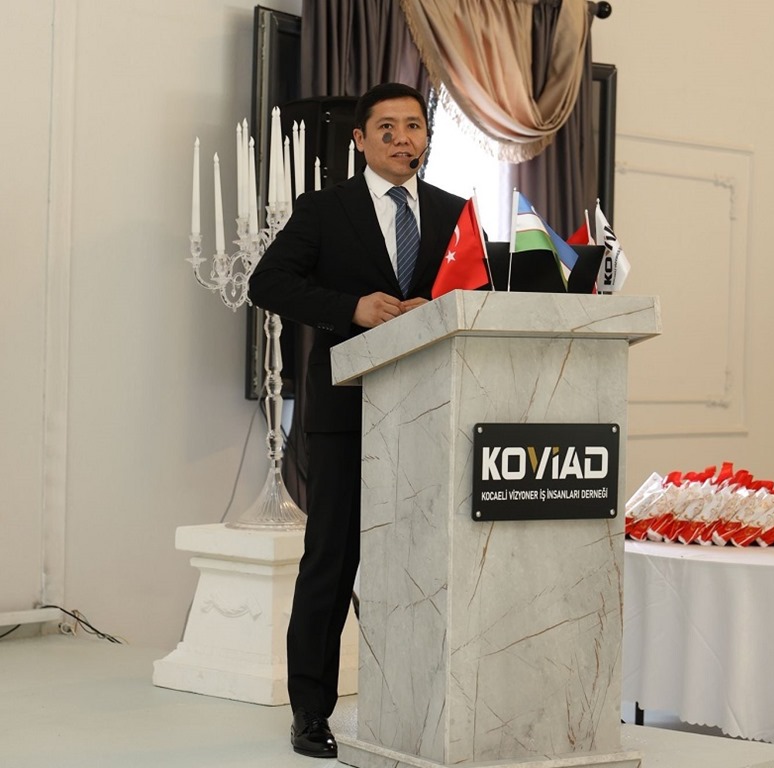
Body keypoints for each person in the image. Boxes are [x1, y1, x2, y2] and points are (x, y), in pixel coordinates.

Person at [248, 82, 466, 758]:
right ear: (360, 139)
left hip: (435, 408)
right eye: (388, 127)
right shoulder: (324, 209)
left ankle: (428, 704)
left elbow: (481, 289)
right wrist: (351, 308)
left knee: (430, 560)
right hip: (347, 411)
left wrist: (442, 309)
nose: (403, 138)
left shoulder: (455, 211)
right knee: (331, 561)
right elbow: (267, 283)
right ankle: (310, 713)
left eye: (414, 126)